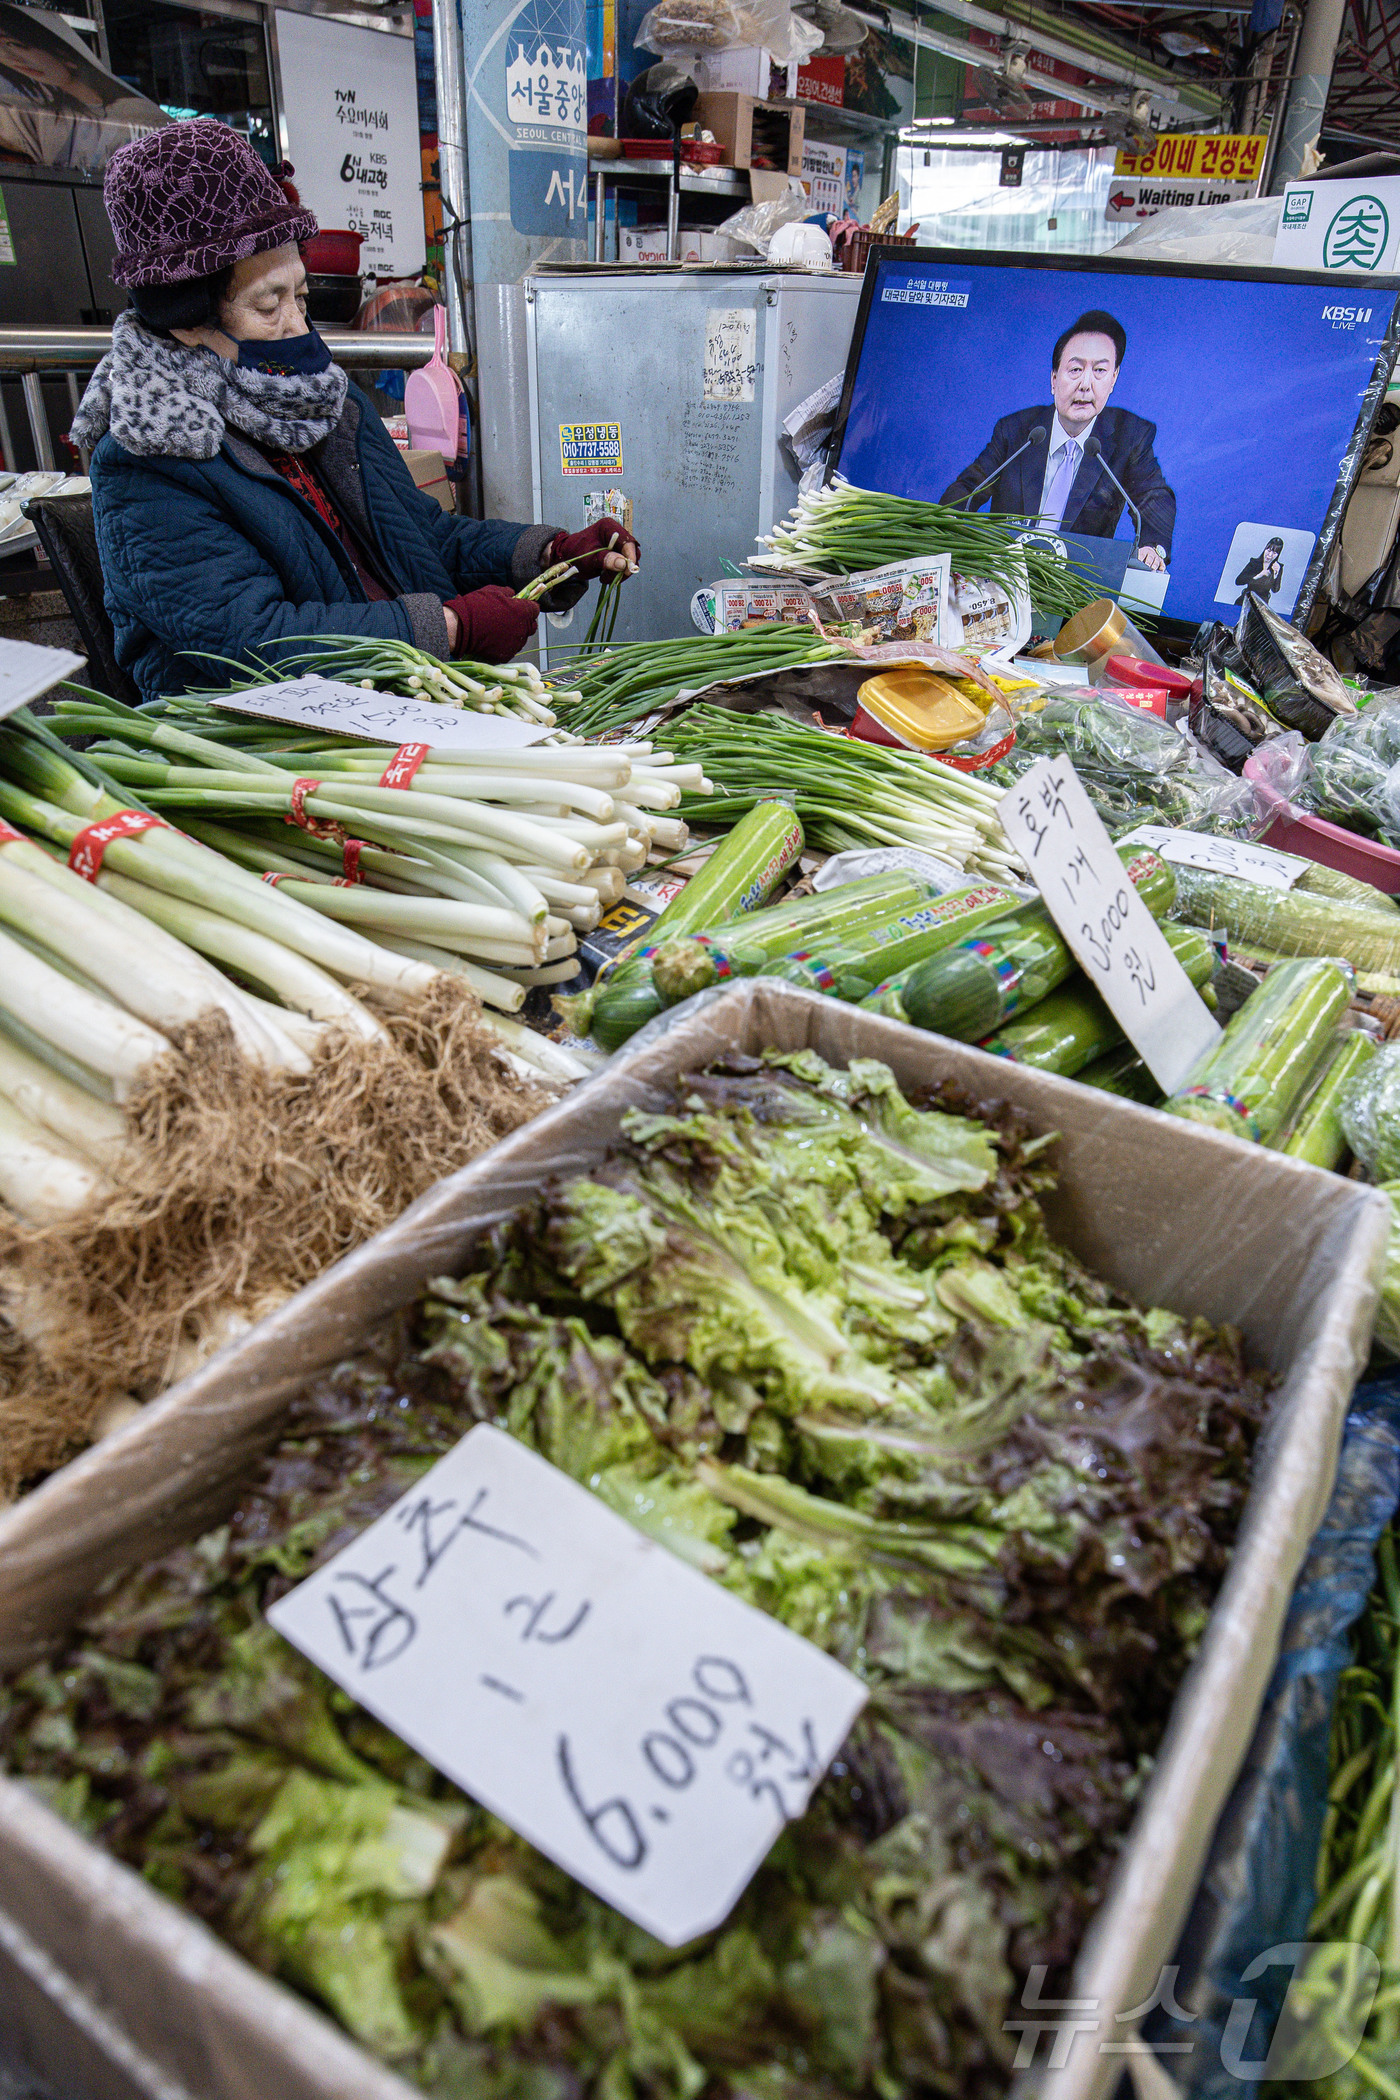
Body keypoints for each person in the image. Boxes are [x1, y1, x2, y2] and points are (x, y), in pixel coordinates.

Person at [73, 121, 639, 704]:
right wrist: (449, 627)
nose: (297, 326)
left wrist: (549, 556)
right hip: (276, 745)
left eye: (301, 297)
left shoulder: (323, 403)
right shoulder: (150, 458)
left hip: (405, 700)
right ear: (186, 319)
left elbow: (425, 539)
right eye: (269, 305)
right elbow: (253, 643)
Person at [939, 309, 1175, 572]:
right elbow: (970, 486)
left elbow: (1154, 496)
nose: (1085, 385)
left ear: (1113, 379)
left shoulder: (1129, 435)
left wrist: (1153, 547)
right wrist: (947, 518)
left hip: (1075, 594)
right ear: (1054, 379)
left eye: (1099, 371)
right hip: (1003, 578)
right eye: (1075, 369)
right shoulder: (1018, 431)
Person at [1235, 536, 1284, 607]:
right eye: (1269, 550)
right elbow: (1238, 581)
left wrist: (1275, 575)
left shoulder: (1278, 567)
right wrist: (1259, 575)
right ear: (1265, 549)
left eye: (1274, 553)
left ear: (1278, 554)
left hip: (1261, 605)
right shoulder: (1254, 563)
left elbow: (1275, 590)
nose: (1270, 555)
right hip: (1245, 600)